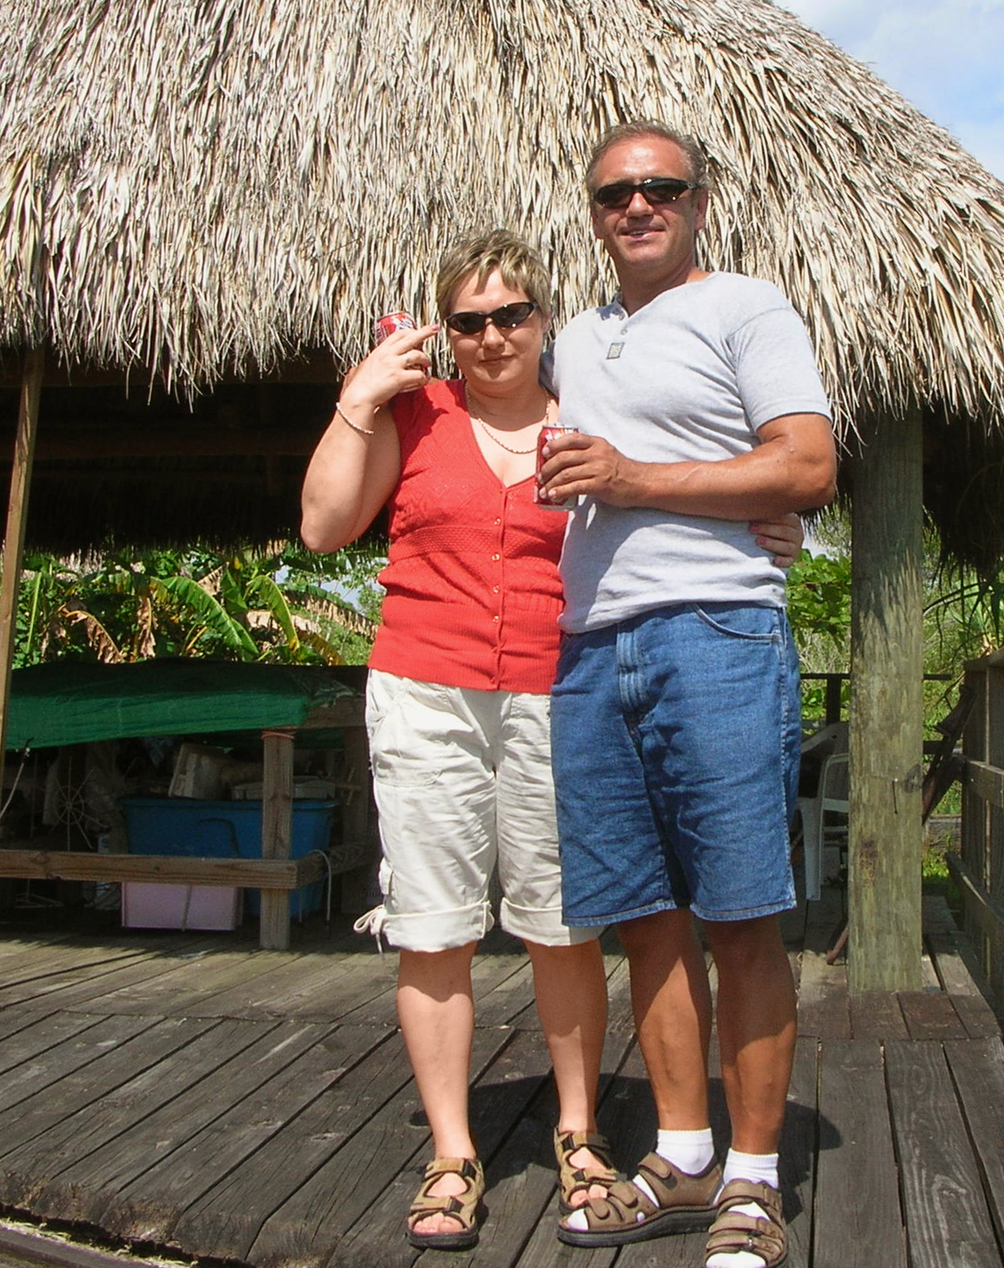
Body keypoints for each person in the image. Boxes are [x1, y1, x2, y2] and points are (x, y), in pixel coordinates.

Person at [298, 230, 802, 1251]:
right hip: (423, 690)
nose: (492, 337)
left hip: (554, 685)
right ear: (447, 332)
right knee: (432, 923)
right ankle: (453, 1151)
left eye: (513, 315)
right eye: (470, 321)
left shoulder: (588, 413)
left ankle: (577, 1133)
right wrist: (358, 395)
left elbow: (683, 478)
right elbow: (321, 527)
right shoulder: (415, 411)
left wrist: (770, 520)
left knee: (560, 918)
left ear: (545, 321)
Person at [543, 123, 837, 1268]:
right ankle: (683, 1148)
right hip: (590, 648)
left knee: (738, 907)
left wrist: (636, 480)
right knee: (646, 912)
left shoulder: (747, 309)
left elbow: (806, 464)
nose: (639, 205)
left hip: (713, 632)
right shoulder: (573, 335)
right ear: (595, 209)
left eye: (661, 187)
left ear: (700, 200)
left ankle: (756, 1179)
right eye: (617, 191)